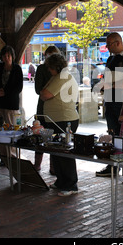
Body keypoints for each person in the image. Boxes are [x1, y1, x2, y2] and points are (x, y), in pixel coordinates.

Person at [95, 32, 123, 177]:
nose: (107, 47)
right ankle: (112, 167)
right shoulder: (110, 59)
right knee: (113, 135)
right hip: (110, 102)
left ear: (118, 43)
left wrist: (111, 86)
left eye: (109, 44)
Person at [40, 53, 79, 196]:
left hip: (64, 120)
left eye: (49, 67)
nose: (48, 70)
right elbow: (43, 92)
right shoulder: (58, 76)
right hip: (57, 120)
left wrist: (44, 91)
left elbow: (45, 94)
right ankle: (61, 181)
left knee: (64, 152)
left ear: (55, 66)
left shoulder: (62, 77)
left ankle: (70, 185)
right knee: (56, 151)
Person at [0, 45, 23, 166]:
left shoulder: (17, 69)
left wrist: (6, 92)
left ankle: (12, 156)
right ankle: (3, 157)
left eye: (9, 55)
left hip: (10, 104)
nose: (7, 58)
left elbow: (18, 87)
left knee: (11, 130)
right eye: (4, 55)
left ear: (12, 56)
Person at [34, 45, 60, 172]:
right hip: (43, 106)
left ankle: (53, 166)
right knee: (40, 135)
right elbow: (38, 90)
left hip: (56, 107)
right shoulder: (41, 69)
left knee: (54, 137)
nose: (50, 58)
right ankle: (37, 164)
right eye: (48, 56)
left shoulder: (63, 71)